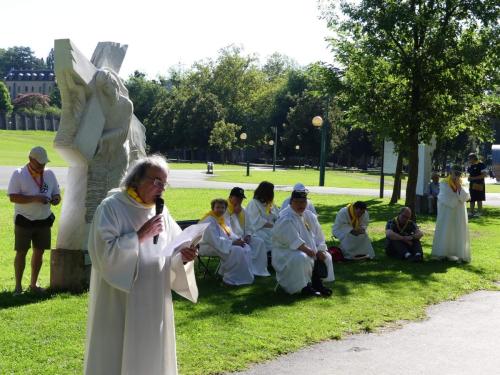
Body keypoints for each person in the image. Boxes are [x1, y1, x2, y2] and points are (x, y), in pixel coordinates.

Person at [84, 155, 198, 375]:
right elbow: (103, 254)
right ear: (136, 179)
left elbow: (173, 249)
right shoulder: (111, 207)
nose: (161, 189)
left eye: (164, 184)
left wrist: (183, 256)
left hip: (154, 298)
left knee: (151, 354)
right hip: (122, 300)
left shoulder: (162, 212)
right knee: (117, 353)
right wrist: (139, 236)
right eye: (156, 181)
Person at [8, 146, 61, 295]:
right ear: (30, 160)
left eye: (44, 163)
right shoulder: (18, 174)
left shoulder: (49, 174)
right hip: (24, 220)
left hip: (44, 220)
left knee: (39, 253)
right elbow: (13, 197)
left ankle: (34, 284)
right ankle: (18, 287)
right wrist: (35, 198)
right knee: (21, 252)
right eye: (39, 163)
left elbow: (56, 194)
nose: (42, 166)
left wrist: (56, 199)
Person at [272, 190, 334, 296]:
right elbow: (294, 241)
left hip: (308, 249)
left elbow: (319, 236)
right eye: (298, 202)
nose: (301, 205)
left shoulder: (309, 215)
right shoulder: (286, 218)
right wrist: (312, 252)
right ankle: (302, 287)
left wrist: (320, 250)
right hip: (286, 252)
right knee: (301, 257)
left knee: (326, 255)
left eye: (303, 202)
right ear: (291, 202)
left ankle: (317, 284)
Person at [199, 198, 254, 285]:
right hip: (209, 246)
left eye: (223, 208)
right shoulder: (209, 220)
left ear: (225, 209)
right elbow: (213, 239)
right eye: (218, 207)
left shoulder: (220, 219)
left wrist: (238, 240)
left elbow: (229, 233)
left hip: (222, 244)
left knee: (245, 247)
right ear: (213, 208)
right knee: (237, 250)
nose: (220, 210)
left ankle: (243, 276)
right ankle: (230, 278)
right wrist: (232, 243)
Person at [224, 187, 270, 277]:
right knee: (243, 248)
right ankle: (244, 271)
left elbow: (249, 226)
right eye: (237, 198)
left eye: (241, 198)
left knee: (259, 242)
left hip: (244, 238)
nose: (240, 200)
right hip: (231, 240)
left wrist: (248, 235)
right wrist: (233, 213)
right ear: (230, 197)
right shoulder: (224, 210)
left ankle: (257, 270)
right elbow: (225, 228)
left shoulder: (243, 210)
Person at [431, 166, 471, 262]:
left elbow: (466, 197)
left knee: (458, 230)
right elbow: (444, 196)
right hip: (447, 211)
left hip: (459, 211)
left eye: (458, 173)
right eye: (454, 173)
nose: (456, 175)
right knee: (446, 230)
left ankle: (459, 254)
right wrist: (458, 197)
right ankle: (443, 252)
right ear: (450, 172)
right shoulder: (444, 182)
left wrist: (458, 185)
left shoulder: (463, 182)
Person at [246, 181, 279, 253]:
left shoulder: (269, 204)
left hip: (271, 228)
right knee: (265, 238)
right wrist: (273, 225)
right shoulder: (254, 203)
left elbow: (277, 216)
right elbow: (256, 221)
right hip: (258, 229)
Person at [467, 153, 487, 217]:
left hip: (479, 184)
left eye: (469, 158)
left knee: (479, 198)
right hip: (472, 184)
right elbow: (470, 175)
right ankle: (471, 211)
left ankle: (479, 212)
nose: (469, 160)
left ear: (473, 158)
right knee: (472, 198)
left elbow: (484, 175)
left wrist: (473, 178)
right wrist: (469, 178)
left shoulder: (481, 164)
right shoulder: (470, 166)